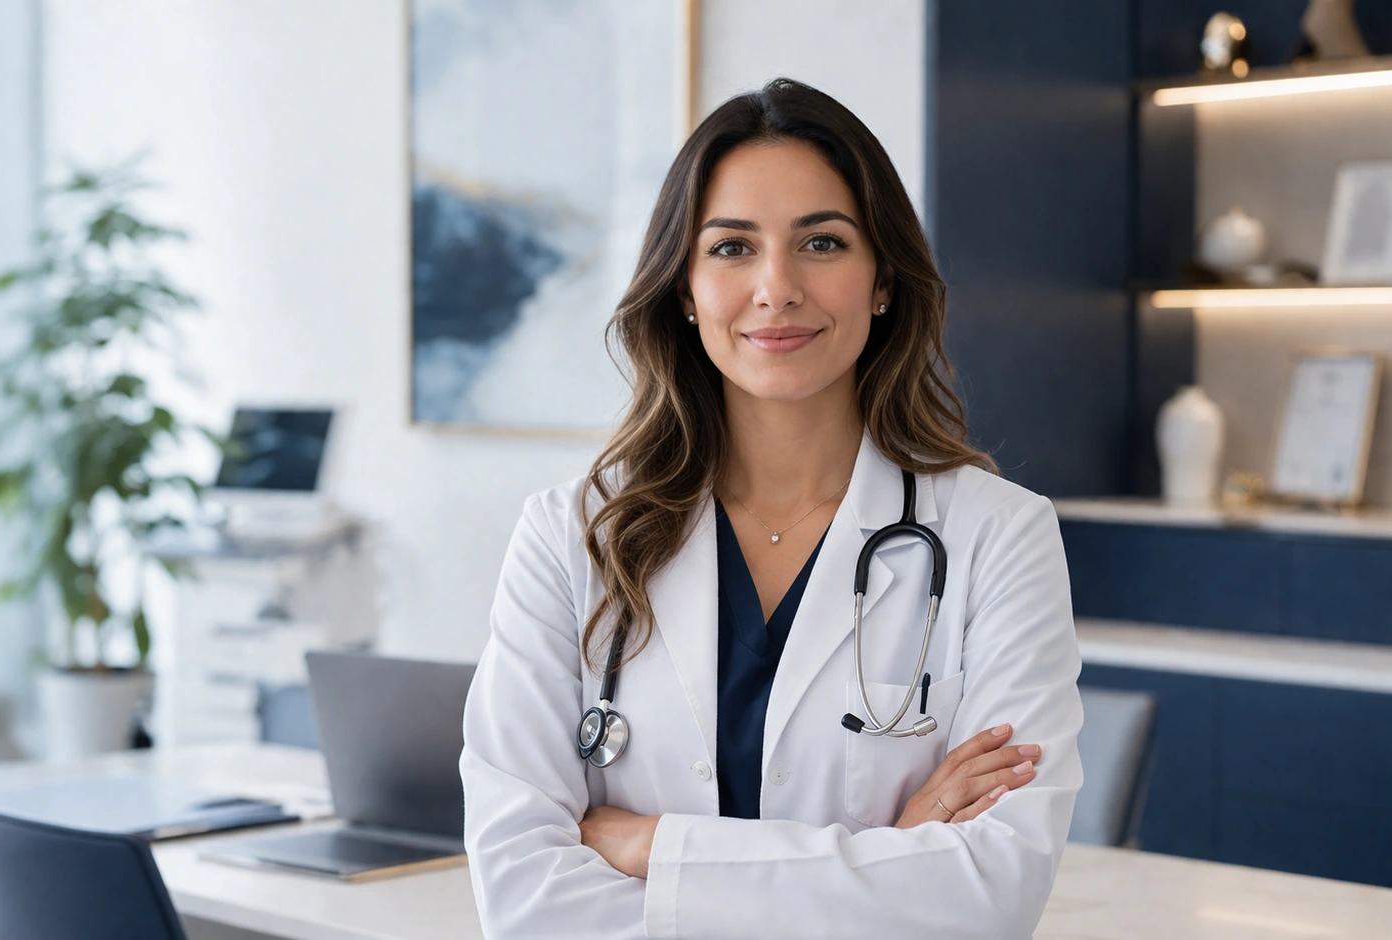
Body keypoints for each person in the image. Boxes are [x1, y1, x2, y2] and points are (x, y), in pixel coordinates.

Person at [459, 78, 1083, 939]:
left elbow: (990, 893)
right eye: (731, 247)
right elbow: (522, 898)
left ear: (881, 280)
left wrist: (654, 847)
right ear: (683, 289)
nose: (776, 287)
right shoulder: (572, 536)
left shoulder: (997, 536)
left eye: (821, 243)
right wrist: (891, 854)